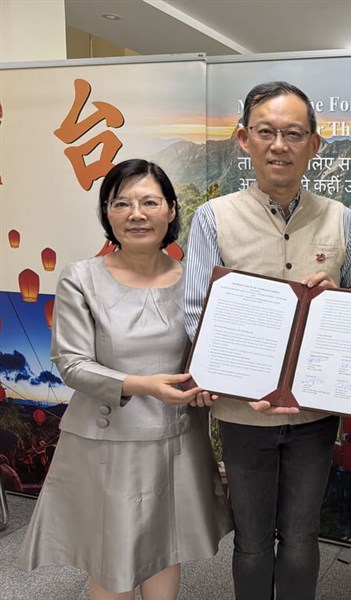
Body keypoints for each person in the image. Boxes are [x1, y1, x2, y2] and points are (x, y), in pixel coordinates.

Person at [184, 81, 351, 600]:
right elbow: (194, 314)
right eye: (266, 132)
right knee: (250, 543)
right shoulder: (213, 218)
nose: (279, 145)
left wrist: (339, 300)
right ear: (243, 139)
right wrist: (235, 379)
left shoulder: (341, 219)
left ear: (314, 143)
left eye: (293, 133)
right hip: (243, 415)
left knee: (299, 539)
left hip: (314, 413)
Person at [17, 159, 233, 600]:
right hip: (107, 440)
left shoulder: (199, 280)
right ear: (107, 213)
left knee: (165, 546)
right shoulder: (82, 278)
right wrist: (145, 385)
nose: (137, 214)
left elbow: (211, 355)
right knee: (110, 557)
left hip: (177, 439)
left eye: (149, 201)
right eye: (122, 203)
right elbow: (72, 363)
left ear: (171, 210)